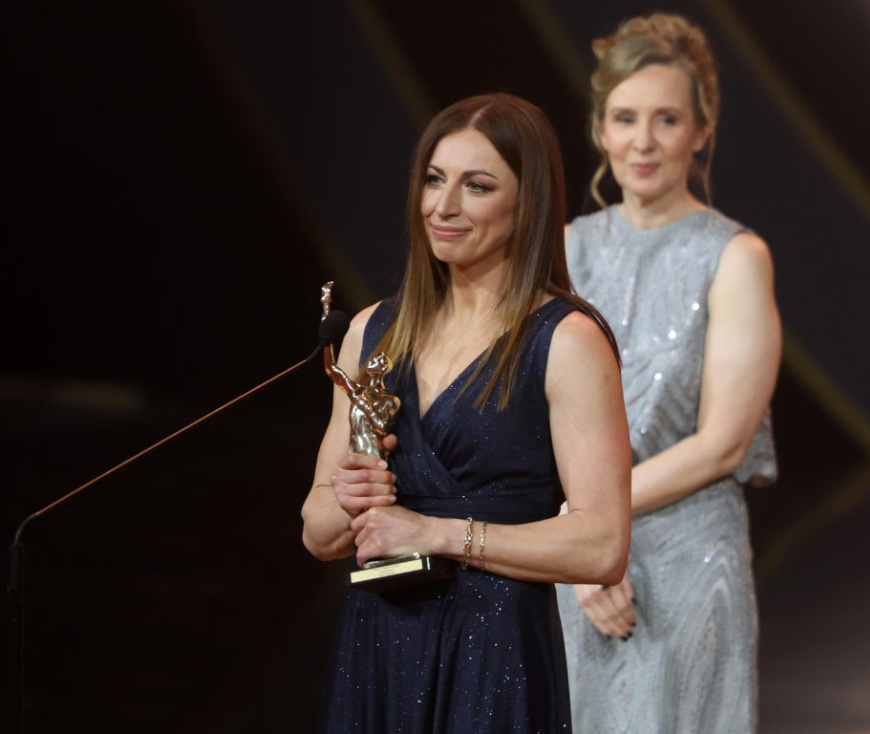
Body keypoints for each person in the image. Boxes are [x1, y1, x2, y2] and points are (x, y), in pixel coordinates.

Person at [301, 92, 632, 733]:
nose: (443, 207)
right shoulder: (371, 333)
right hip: (378, 649)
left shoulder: (566, 341)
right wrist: (350, 498)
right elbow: (317, 533)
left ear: (527, 202)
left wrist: (436, 534)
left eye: (476, 186)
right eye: (434, 180)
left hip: (495, 656)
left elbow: (602, 545)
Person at [554, 13, 782, 733]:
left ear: (701, 130)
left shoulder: (735, 257)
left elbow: (721, 444)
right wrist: (579, 552)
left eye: (667, 119)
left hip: (688, 569)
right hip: (574, 569)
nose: (643, 141)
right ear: (600, 129)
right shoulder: (563, 252)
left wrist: (589, 528)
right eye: (625, 118)